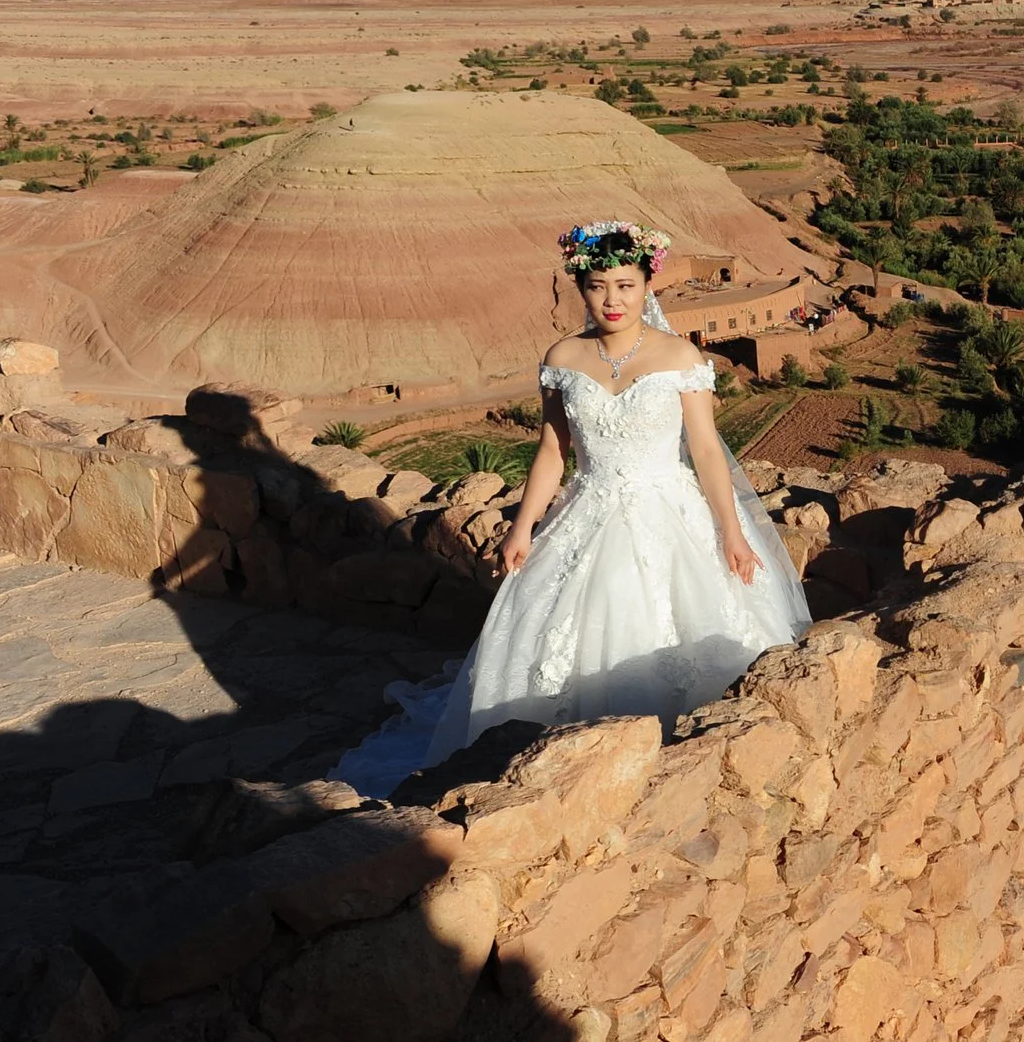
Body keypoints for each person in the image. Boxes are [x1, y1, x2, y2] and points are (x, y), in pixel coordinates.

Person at [333, 220, 809, 792]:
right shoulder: (563, 357)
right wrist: (522, 527)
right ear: (580, 288)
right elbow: (553, 453)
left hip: (670, 514)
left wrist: (731, 532)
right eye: (599, 285)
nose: (613, 299)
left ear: (647, 285)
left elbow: (706, 450)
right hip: (590, 510)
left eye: (626, 285)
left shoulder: (680, 356)